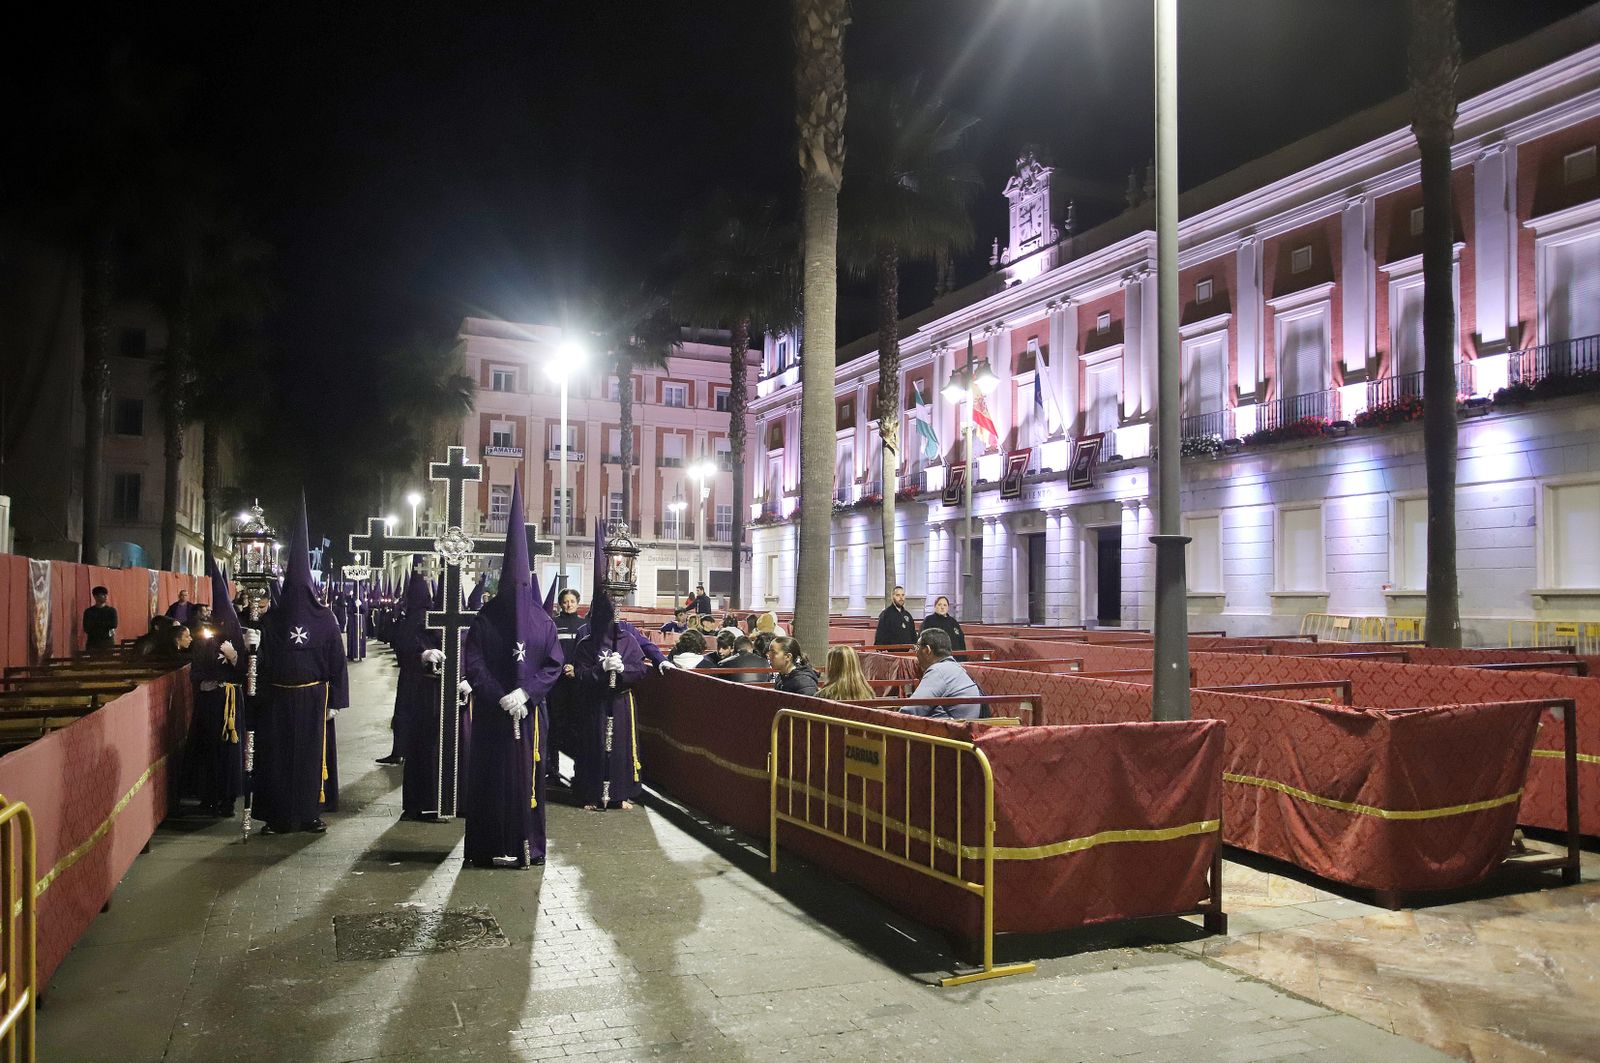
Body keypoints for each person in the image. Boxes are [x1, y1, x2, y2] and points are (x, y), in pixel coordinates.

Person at [461, 481, 563, 867]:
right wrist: (498, 694)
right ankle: (487, 846)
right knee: (491, 778)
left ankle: (527, 845)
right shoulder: (486, 618)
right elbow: (474, 661)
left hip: (529, 717)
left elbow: (553, 664)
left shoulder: (543, 622)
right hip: (493, 716)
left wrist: (527, 693)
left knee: (526, 781)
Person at [249, 496, 349, 835]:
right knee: (276, 758)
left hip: (313, 700)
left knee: (309, 757)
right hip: (277, 700)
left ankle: (309, 813)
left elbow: (337, 663)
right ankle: (277, 816)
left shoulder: (326, 620)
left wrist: (335, 702)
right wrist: (252, 647)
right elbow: (260, 665)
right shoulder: (271, 621)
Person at [568, 526, 650, 811]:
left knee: (620, 749)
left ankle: (620, 792)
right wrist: (600, 670)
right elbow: (580, 674)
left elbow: (640, 669)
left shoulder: (627, 639)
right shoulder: (587, 642)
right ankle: (591, 793)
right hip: (595, 703)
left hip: (620, 701)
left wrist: (622, 669)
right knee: (594, 746)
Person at [188, 561, 247, 816]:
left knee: (229, 750)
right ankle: (208, 796)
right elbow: (195, 670)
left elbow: (246, 673)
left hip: (230, 702)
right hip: (209, 702)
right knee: (207, 747)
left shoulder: (238, 640)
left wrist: (235, 658)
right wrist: (204, 681)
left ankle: (228, 798)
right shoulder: (204, 641)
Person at [394, 572, 449, 821]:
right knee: (424, 748)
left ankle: (438, 802)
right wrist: (423, 656)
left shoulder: (423, 619)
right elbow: (405, 651)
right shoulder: (419, 620)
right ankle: (423, 803)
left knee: (434, 748)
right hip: (424, 692)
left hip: (438, 691)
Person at [903, 628, 982, 719]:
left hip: (950, 727)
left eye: (917, 647)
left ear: (927, 650)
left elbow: (911, 710)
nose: (916, 652)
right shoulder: (958, 669)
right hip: (964, 725)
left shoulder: (938, 671)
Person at [84, 586, 118, 652]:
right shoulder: (89, 612)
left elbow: (114, 624)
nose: (105, 596)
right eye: (102, 594)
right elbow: (87, 628)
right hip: (93, 644)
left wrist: (96, 624)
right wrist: (105, 624)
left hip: (108, 643)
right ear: (95, 596)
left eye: (106, 594)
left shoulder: (111, 611)